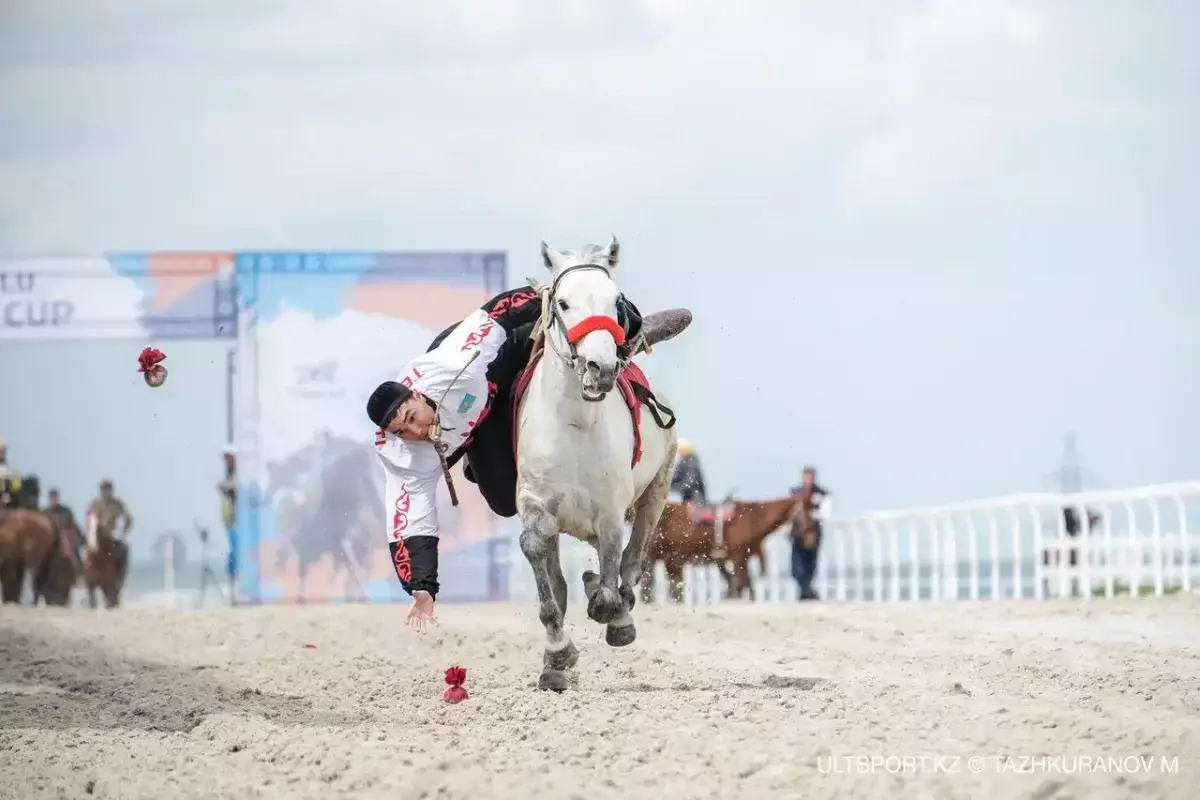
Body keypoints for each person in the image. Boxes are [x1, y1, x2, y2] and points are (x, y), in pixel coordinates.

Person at [366, 283, 691, 632]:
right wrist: (422, 586)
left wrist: (546, 295)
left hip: (495, 360)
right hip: (481, 419)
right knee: (506, 503)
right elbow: (409, 519)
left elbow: (498, 312)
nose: (414, 432)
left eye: (412, 418)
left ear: (417, 395)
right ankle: (479, 456)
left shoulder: (455, 361)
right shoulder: (401, 457)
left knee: (557, 345)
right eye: (402, 431)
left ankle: (628, 340)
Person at [789, 466, 829, 600]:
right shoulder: (795, 493)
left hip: (813, 533)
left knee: (810, 563)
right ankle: (806, 591)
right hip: (798, 533)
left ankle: (806, 591)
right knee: (796, 565)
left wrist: (810, 515)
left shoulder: (821, 494)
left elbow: (825, 514)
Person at [217, 446, 238, 586]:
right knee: (233, 550)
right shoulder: (229, 476)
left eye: (228, 458)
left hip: (237, 520)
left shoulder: (238, 475)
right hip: (229, 520)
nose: (227, 461)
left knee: (236, 550)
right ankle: (232, 580)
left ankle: (235, 580)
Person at [44, 488, 82, 564]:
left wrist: (78, 539)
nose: (54, 500)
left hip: (66, 541)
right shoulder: (45, 513)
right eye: (52, 498)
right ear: (49, 499)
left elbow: (73, 526)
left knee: (75, 553)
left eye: (55, 497)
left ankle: (79, 569)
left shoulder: (66, 511)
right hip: (51, 541)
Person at [670, 439, 708, 512]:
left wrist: (675, 489)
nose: (679, 453)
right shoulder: (682, 463)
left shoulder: (691, 463)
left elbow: (689, 482)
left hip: (695, 498)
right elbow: (675, 478)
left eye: (681, 451)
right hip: (687, 497)